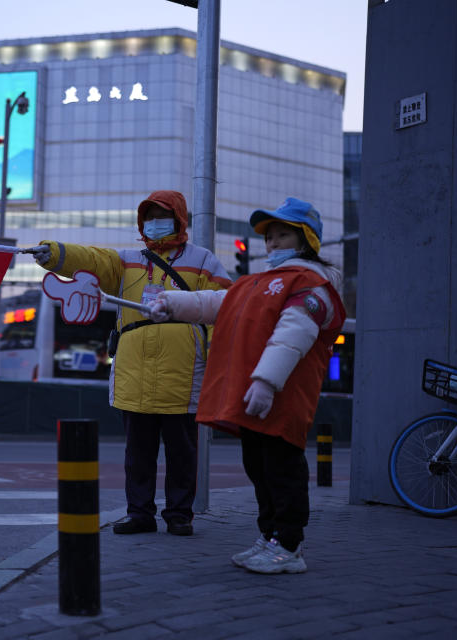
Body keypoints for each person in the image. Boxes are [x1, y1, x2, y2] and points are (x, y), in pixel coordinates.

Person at [144, 197, 345, 573]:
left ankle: (289, 545)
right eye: (269, 237)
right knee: (260, 469)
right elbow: (216, 302)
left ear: (306, 241)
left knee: (282, 471)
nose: (272, 244)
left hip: (281, 398)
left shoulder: (311, 285)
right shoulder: (259, 282)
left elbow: (294, 334)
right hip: (256, 397)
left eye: (282, 235)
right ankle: (269, 538)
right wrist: (170, 303)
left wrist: (266, 382)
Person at [31, 190, 231, 536]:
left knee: (183, 454)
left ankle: (179, 515)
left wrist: (214, 360)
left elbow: (222, 311)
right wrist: (56, 254)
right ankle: (140, 514)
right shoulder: (125, 260)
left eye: (162, 215)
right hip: (133, 373)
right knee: (138, 454)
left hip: (185, 376)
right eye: (149, 216)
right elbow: (90, 259)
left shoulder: (204, 261)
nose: (155, 222)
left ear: (180, 218)